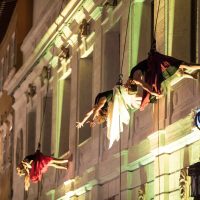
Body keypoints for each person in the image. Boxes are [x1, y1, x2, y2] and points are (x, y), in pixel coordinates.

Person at [126, 51, 200, 110]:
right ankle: (194, 71)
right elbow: (145, 86)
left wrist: (154, 93)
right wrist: (154, 93)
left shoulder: (134, 77)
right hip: (157, 63)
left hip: (157, 63)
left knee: (182, 66)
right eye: (127, 88)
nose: (125, 87)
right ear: (130, 85)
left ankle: (193, 73)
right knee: (184, 65)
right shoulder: (135, 79)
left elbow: (144, 84)